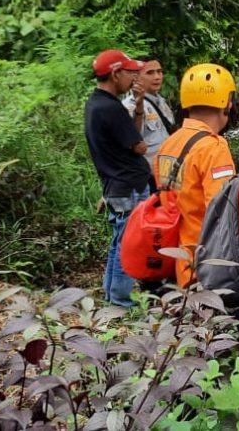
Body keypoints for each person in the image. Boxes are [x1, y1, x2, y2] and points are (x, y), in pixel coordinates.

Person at [152, 64, 237, 288]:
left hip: (179, 262)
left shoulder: (169, 144)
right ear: (226, 104)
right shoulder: (214, 148)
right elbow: (222, 214)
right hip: (208, 266)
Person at [83, 49, 153, 308]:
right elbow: (139, 146)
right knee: (129, 244)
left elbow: (129, 136)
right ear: (115, 73)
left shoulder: (96, 104)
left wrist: (138, 104)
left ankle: (112, 295)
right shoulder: (109, 108)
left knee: (119, 241)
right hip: (128, 186)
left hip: (116, 185)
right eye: (130, 72)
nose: (134, 77)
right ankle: (121, 301)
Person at [122, 56, 176, 165]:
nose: (157, 77)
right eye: (150, 73)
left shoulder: (162, 102)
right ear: (136, 77)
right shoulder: (130, 106)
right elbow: (132, 143)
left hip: (167, 170)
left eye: (159, 72)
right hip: (148, 174)